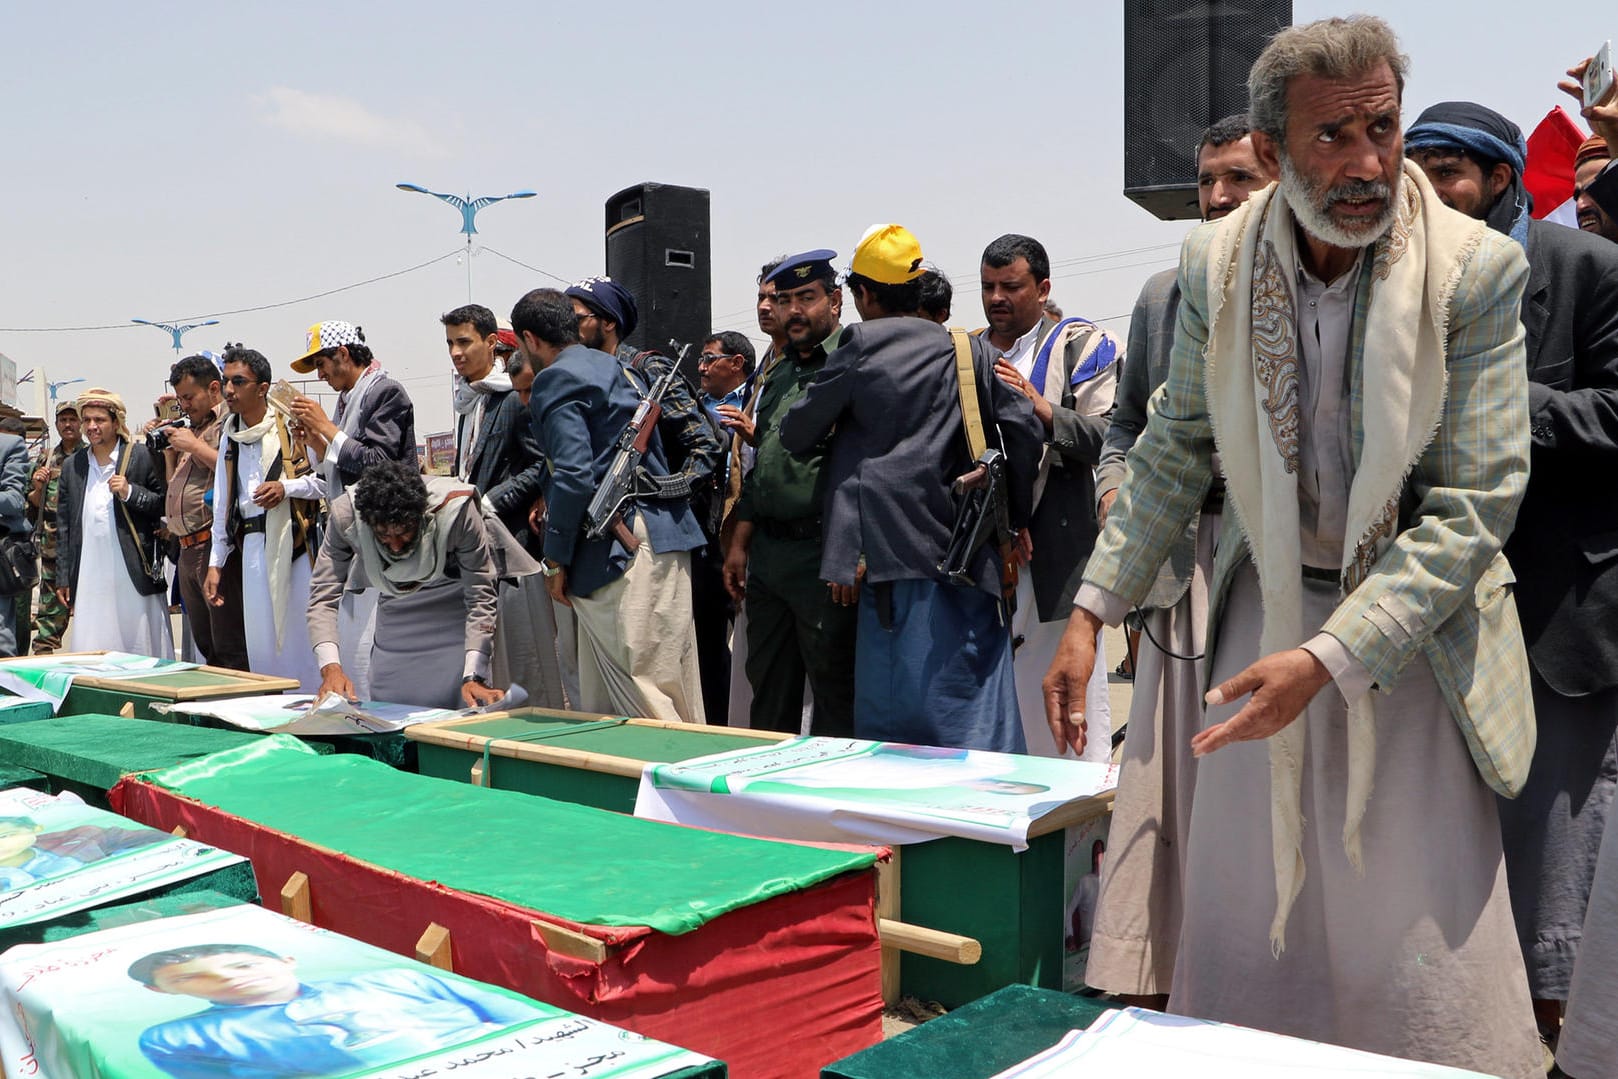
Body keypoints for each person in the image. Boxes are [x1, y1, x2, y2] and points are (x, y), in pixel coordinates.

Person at [1043, 16, 1540, 1075]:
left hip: (1409, 651)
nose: (1365, 165)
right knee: (1250, 908)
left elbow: (1471, 505)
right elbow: (1176, 446)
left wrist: (1327, 659)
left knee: (1409, 938)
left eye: (1382, 128)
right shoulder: (1217, 263)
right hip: (1259, 618)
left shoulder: (1475, 272)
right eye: (1330, 139)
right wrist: (1092, 609)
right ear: (1268, 155)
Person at [1406, 100, 1618, 1048]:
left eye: (1448, 169)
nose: (1428, 190)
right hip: (1427, 611)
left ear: (1500, 179)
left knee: (1549, 857)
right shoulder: (1393, 286)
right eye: (1416, 169)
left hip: (1554, 610)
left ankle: (1548, 1037)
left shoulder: (1586, 270)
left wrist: (1505, 405)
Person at [1086, 113, 1272, 1005]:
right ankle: (1162, 980)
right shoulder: (1165, 292)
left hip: (1270, 570)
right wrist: (1116, 490)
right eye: (1208, 181)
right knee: (1171, 784)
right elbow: (1123, 428)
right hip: (1172, 568)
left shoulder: (1316, 286)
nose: (1221, 197)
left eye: (1239, 177)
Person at [779, 224, 1043, 751]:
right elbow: (1025, 431)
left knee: (899, 718)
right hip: (968, 553)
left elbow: (796, 432)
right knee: (975, 703)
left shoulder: (860, 345)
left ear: (863, 295)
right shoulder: (967, 349)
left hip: (890, 560)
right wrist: (1009, 521)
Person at [515, 287, 707, 723]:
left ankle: (661, 789)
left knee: (642, 700)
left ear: (529, 337)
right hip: (662, 537)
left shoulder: (555, 377)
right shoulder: (616, 366)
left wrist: (555, 558)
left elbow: (573, 474)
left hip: (618, 551)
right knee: (672, 689)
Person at [978, 234, 1119, 761]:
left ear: (1043, 288)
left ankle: (1077, 831)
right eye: (988, 286)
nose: (997, 298)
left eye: (1011, 286)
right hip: (986, 557)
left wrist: (1043, 410)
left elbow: (1114, 437)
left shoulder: (1082, 345)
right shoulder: (966, 352)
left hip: (1059, 553)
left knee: (1067, 712)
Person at [724, 250, 857, 737]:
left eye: (807, 297)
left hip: (822, 555)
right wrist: (740, 543)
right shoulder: (777, 370)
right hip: (770, 557)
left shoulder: (851, 362)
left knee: (834, 695)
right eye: (784, 300)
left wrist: (853, 552)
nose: (793, 310)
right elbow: (766, 467)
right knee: (770, 693)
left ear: (836, 300)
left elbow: (867, 469)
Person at [129, 944, 544, 1079]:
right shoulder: (178, 1039)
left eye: (243, 964)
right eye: (191, 979)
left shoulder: (396, 980)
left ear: (286, 960)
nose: (226, 980)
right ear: (158, 990)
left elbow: (523, 1020)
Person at [287, 320, 417, 700]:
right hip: (354, 537)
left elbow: (381, 463)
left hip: (386, 539)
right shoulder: (349, 400)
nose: (321, 375)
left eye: (322, 365)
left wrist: (328, 429)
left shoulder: (385, 392)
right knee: (353, 643)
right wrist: (316, 439)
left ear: (343, 354)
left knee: (374, 652)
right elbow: (340, 469)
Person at [308, 461, 504, 711]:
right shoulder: (345, 514)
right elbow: (322, 597)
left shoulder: (458, 511)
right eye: (384, 536)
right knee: (389, 709)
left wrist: (474, 676)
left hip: (452, 603)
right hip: (394, 608)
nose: (396, 546)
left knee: (459, 709)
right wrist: (331, 668)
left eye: (404, 533)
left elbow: (480, 597)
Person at [440, 303, 561, 708]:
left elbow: (538, 466)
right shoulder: (468, 403)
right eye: (450, 344)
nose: (456, 353)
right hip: (476, 552)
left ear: (492, 344)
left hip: (513, 548)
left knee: (526, 662)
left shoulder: (512, 399)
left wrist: (486, 502)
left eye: (464, 342)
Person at [206, 347, 323, 692]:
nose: (229, 390)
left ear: (262, 388)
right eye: (226, 381)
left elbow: (326, 481)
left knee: (300, 637)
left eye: (238, 381)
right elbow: (223, 504)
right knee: (261, 642)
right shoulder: (229, 435)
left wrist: (286, 488)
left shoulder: (292, 425)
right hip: (253, 548)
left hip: (295, 547)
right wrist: (216, 562)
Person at [55, 389, 172, 658]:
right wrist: (64, 576)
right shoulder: (74, 465)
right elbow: (64, 526)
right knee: (94, 640)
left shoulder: (140, 456)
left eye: (99, 420)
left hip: (133, 566)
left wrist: (130, 492)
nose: (92, 427)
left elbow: (162, 504)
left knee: (139, 641)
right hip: (89, 571)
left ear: (116, 423)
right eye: (87, 421)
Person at [156, 355, 248, 670]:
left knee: (228, 642)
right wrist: (172, 453)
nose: (184, 404)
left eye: (189, 397)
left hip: (213, 543)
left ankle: (239, 708)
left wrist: (193, 446)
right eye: (180, 398)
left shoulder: (230, 423)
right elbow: (175, 485)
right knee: (206, 643)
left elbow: (233, 471)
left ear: (213, 388)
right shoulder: (193, 428)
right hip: (186, 547)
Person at [690, 330, 757, 722]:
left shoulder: (758, 399)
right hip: (706, 538)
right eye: (700, 358)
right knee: (709, 642)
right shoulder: (693, 407)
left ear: (736, 363)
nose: (701, 367)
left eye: (710, 358)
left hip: (748, 533)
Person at [28, 402, 82, 654]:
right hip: (52, 548)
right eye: (63, 420)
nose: (68, 424)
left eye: (73, 419)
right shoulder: (46, 458)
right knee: (49, 617)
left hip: (85, 544)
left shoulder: (91, 455)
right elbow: (33, 505)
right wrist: (39, 486)